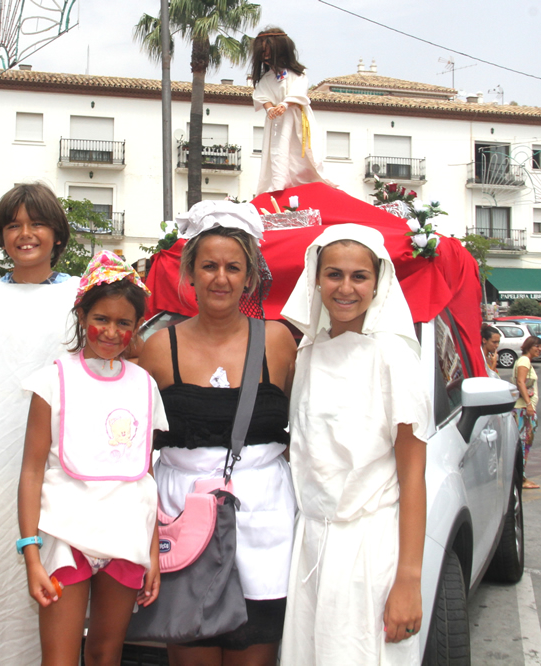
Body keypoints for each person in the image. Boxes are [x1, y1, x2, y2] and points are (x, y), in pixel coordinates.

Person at [139, 200, 298, 666]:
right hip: (184, 527)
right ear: (190, 273)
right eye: (208, 266)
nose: (220, 278)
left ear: (250, 277)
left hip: (265, 522)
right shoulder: (158, 349)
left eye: (233, 267)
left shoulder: (280, 342)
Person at [280, 224, 430, 664]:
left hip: (370, 551)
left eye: (359, 276)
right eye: (334, 274)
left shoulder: (393, 357)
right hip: (310, 546)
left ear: (379, 281)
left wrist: (408, 579)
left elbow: (413, 476)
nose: (345, 288)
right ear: (316, 278)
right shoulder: (307, 352)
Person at [18, 251, 168, 666]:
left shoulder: (143, 385)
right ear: (82, 314)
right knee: (60, 658)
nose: (111, 331)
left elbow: (145, 474)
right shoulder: (52, 380)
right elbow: (31, 472)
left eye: (124, 323)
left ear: (137, 327)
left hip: (125, 536)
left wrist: (152, 551)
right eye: (101, 318)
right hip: (66, 536)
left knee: (107, 654)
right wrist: (31, 553)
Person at [0, 183, 80, 665]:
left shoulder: (77, 295)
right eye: (13, 225)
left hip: (54, 465)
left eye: (36, 223)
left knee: (51, 574)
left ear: (57, 233)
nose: (25, 234)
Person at [251, 27, 331, 194]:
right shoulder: (267, 78)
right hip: (277, 123)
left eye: (268, 54)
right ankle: (279, 184)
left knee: (298, 154)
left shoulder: (298, 74)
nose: (266, 59)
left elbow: (299, 92)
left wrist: (285, 104)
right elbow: (261, 95)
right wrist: (270, 108)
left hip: (296, 120)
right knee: (278, 153)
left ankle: (307, 183)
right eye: (263, 56)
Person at [514, 336, 541, 490]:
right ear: (528, 346)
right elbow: (520, 382)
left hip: (524, 409)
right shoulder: (524, 361)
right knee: (524, 444)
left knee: (525, 444)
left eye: (540, 347)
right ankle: (521, 478)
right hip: (522, 410)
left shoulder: (525, 361)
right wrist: (528, 404)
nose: (539, 349)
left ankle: (521, 476)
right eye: (536, 346)